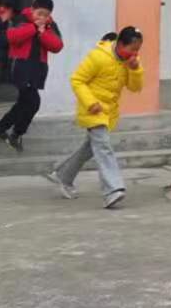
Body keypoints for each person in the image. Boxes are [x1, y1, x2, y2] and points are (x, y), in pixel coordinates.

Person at [46, 27, 146, 208]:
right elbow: (77, 79)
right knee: (103, 147)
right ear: (120, 44)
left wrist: (135, 70)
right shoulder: (98, 57)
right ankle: (112, 190)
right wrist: (90, 102)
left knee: (90, 148)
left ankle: (63, 175)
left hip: (109, 112)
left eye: (137, 50)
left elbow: (135, 87)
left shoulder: (130, 61)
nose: (135, 53)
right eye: (132, 49)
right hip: (92, 110)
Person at [0, 0, 63, 150]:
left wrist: (43, 33)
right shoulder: (21, 18)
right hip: (21, 66)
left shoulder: (50, 25)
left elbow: (57, 46)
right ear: (32, 9)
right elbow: (12, 37)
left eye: (46, 15)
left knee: (24, 102)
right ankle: (16, 133)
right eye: (39, 13)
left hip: (38, 68)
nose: (42, 17)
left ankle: (1, 127)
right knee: (34, 102)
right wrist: (34, 27)